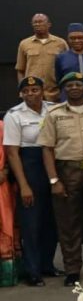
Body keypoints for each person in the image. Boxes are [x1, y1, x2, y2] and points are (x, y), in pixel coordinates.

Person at [39, 72, 83, 286]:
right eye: (69, 85)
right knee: (68, 223)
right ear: (63, 90)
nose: (74, 88)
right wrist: (54, 180)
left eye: (78, 84)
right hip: (67, 171)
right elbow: (47, 148)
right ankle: (72, 270)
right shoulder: (54, 114)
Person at [3, 77, 62, 287]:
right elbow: (12, 153)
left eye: (35, 89)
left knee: (51, 220)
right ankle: (33, 271)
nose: (31, 94)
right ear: (21, 94)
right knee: (32, 223)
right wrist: (24, 185)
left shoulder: (53, 109)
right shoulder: (14, 115)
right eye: (26, 91)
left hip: (54, 163)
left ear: (42, 91)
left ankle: (47, 264)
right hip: (29, 166)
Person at [15, 13, 68, 102]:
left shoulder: (60, 43)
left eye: (40, 22)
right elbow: (20, 70)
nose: (37, 24)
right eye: (35, 22)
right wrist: (22, 90)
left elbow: (66, 68)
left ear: (49, 24)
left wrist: (64, 91)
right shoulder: (24, 44)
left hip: (55, 94)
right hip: (32, 94)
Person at [55, 23, 83, 102]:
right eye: (73, 38)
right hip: (68, 101)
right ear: (68, 39)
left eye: (80, 38)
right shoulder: (61, 58)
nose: (77, 41)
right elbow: (59, 80)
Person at [0, 121, 20, 287]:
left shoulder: (2, 127)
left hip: (1, 185)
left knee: (4, 225)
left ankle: (5, 276)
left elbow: (12, 154)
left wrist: (5, 170)